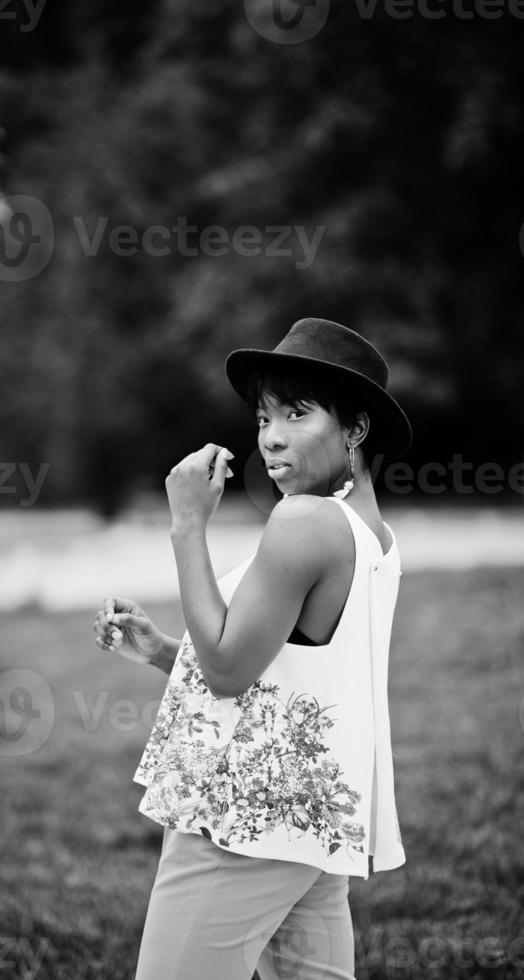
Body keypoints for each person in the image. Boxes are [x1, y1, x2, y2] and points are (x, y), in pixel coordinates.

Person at [93, 317, 412, 980]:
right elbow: (288, 666)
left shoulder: (305, 520)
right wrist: (162, 652)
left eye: (297, 413)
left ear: (356, 429)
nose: (270, 436)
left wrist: (186, 525)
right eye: (265, 416)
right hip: (309, 827)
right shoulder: (372, 535)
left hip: (239, 828)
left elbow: (229, 672)